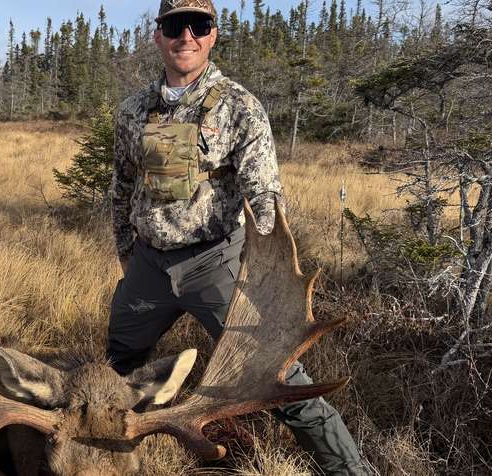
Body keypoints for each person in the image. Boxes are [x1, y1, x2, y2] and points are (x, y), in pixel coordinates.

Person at [107, 1, 368, 474]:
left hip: (217, 266)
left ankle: (352, 471)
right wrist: (128, 255)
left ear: (212, 35)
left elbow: (265, 194)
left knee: (282, 379)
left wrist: (269, 279)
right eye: (172, 25)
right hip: (147, 268)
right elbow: (122, 187)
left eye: (198, 25)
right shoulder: (131, 112)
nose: (185, 35)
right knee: (113, 377)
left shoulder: (239, 106)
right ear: (157, 35)